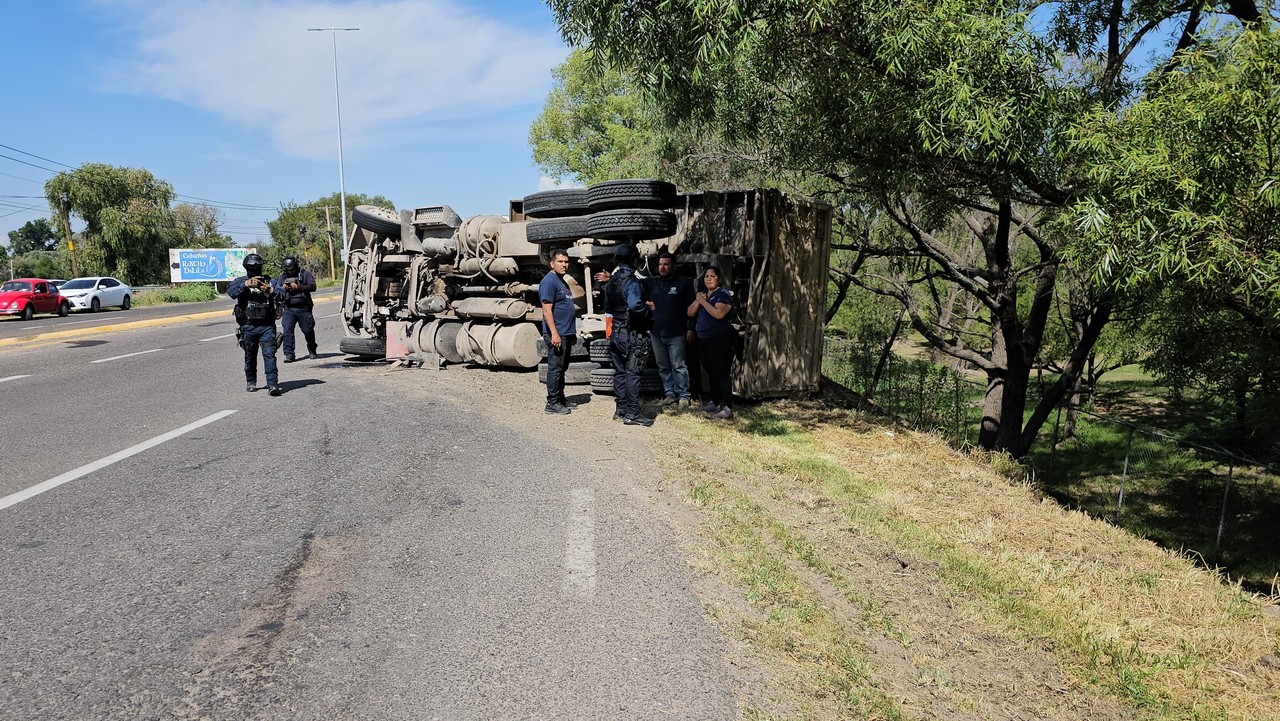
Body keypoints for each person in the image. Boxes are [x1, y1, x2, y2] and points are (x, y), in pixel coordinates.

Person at [602, 244, 654, 426]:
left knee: (620, 372)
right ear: (634, 260)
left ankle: (620, 409)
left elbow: (608, 309)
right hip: (631, 334)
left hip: (615, 333)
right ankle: (632, 413)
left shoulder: (611, 282)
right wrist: (648, 310)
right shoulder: (632, 282)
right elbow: (634, 305)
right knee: (633, 373)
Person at [227, 253, 285, 396]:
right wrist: (246, 285)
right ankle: (251, 381)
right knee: (250, 355)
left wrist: (270, 291)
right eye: (251, 267)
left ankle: (272, 384)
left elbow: (282, 295)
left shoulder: (270, 281)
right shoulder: (240, 281)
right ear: (246, 268)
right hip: (248, 326)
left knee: (269, 355)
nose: (254, 269)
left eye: (257, 266)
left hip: (267, 326)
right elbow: (231, 292)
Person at [645, 252, 696, 409]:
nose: (662, 267)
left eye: (666, 264)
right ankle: (669, 395)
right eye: (660, 264)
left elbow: (692, 307)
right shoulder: (652, 282)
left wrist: (691, 328)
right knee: (663, 366)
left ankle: (684, 396)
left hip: (677, 333)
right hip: (656, 332)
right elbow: (631, 283)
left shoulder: (684, 283)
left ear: (673, 266)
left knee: (679, 365)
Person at [689, 265, 735, 419]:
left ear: (718, 278)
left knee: (722, 373)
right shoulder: (703, 295)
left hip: (720, 339)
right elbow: (689, 312)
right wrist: (699, 301)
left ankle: (727, 407)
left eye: (712, 276)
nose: (709, 278)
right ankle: (714, 402)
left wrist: (703, 302)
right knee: (711, 372)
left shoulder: (723, 294)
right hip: (703, 339)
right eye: (706, 276)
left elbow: (719, 314)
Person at [539, 248, 577, 415]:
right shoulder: (549, 282)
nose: (564, 265)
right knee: (555, 368)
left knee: (562, 368)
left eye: (566, 262)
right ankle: (552, 403)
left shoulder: (562, 281)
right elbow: (547, 310)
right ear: (552, 263)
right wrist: (554, 333)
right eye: (560, 262)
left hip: (565, 332)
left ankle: (560, 398)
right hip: (557, 333)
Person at [277, 256, 318, 362]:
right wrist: (283, 288)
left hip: (303, 308)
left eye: (291, 269)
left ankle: (312, 349)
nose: (290, 271)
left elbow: (313, 287)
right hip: (288, 308)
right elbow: (277, 290)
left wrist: (298, 287)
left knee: (308, 330)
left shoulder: (305, 274)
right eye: (287, 270)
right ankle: (289, 354)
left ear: (295, 266)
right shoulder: (282, 276)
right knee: (287, 330)